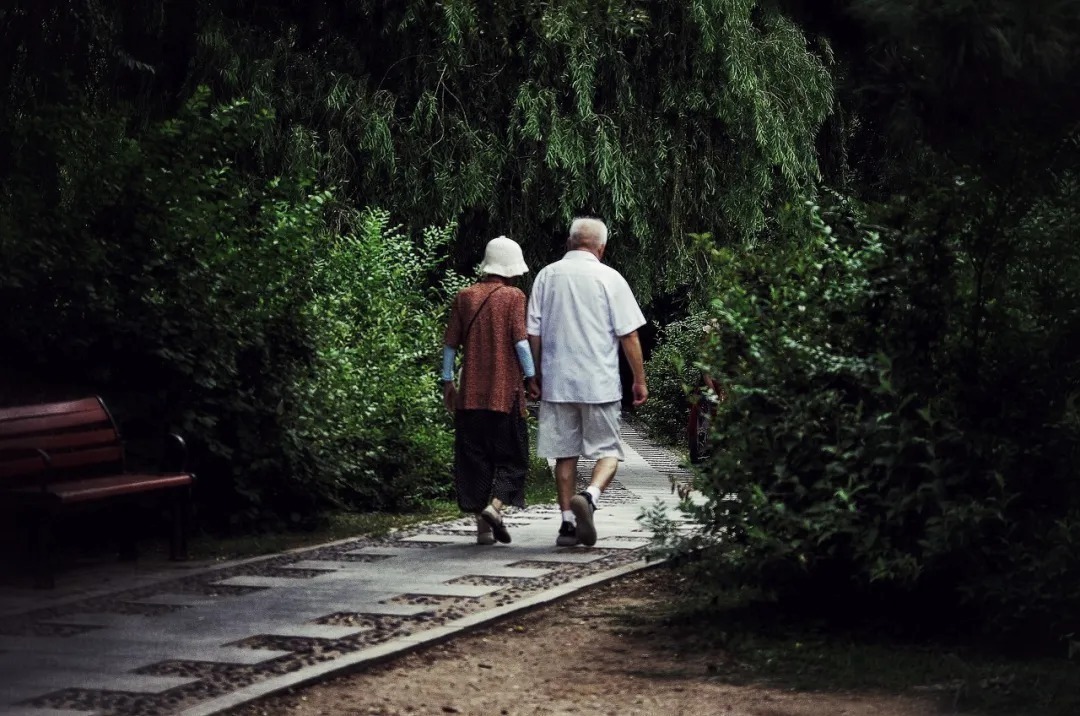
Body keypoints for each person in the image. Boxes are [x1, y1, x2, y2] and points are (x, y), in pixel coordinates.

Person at [526, 217, 648, 546]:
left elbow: (533, 332)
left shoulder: (546, 276)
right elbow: (629, 334)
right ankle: (591, 496)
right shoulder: (610, 278)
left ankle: (567, 524)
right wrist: (639, 379)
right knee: (608, 452)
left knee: (564, 455)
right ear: (602, 248)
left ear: (569, 242)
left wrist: (534, 373)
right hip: (600, 382)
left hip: (557, 381)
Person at [442, 236, 539, 545]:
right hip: (503, 396)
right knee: (514, 458)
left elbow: (450, 345)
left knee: (475, 462)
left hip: (469, 397)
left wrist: (448, 381)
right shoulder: (513, 296)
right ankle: (495, 509)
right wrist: (532, 377)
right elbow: (521, 344)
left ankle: (482, 530)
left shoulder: (464, 296)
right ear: (511, 267)